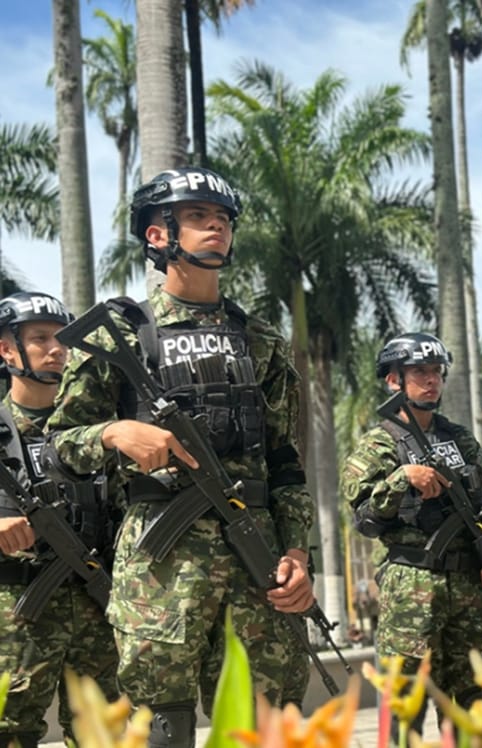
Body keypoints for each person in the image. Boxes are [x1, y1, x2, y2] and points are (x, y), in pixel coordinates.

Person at [42, 167, 315, 746]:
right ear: (158, 235)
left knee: (260, 722)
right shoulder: (121, 333)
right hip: (160, 566)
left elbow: (286, 461)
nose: (215, 224)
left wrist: (297, 553)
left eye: (222, 218)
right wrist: (116, 432)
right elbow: (62, 442)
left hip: (257, 558)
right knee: (158, 724)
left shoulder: (260, 340)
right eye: (196, 215)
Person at [341, 333, 482, 737]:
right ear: (394, 380)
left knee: (473, 702)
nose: (431, 381)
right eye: (419, 373)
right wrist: (401, 480)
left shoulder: (460, 438)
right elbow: (364, 517)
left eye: (435, 372)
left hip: (467, 584)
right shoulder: (380, 442)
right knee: (404, 705)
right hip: (412, 582)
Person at [0, 292, 119, 748]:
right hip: (19, 608)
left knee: (104, 733)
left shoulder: (98, 429)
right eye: (39, 339)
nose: (56, 349)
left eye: (62, 339)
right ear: (7, 350)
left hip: (96, 600)